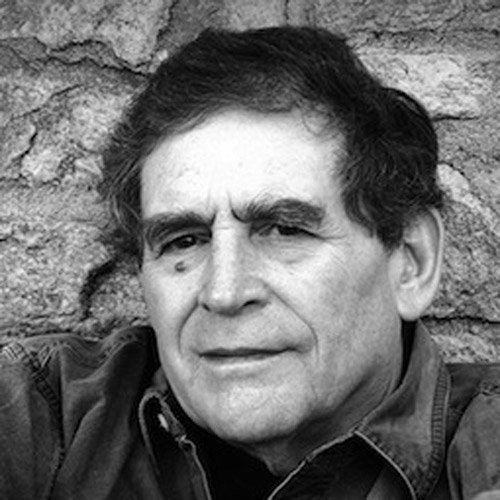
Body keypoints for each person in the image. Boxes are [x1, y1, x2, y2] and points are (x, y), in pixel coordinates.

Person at [1, 26, 499, 500]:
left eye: (284, 230)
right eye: (184, 240)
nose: (224, 292)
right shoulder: (46, 417)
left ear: (411, 262)